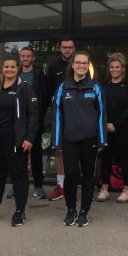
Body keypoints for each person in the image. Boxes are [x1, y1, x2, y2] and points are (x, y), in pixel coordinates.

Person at [0, 56, 38, 226]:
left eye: (12, 67)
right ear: (2, 69)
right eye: (6, 67)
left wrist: (29, 138)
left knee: (18, 176)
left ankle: (19, 212)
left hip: (15, 141)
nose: (9, 70)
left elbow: (33, 115)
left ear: (17, 69)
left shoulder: (24, 88)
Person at [52, 50, 107, 227]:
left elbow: (101, 115)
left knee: (88, 176)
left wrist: (101, 140)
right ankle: (70, 210)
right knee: (71, 175)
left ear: (88, 65)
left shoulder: (95, 87)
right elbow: (57, 116)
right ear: (73, 65)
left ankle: (84, 211)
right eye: (78, 62)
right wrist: (57, 141)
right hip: (69, 140)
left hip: (90, 139)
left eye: (85, 63)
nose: (81, 65)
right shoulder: (63, 87)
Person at [7, 46, 48, 200]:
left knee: (36, 154)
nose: (25, 58)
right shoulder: (13, 73)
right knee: (16, 154)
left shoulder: (39, 75)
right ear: (20, 57)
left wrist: (37, 117)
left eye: (28, 56)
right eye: (23, 56)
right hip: (15, 121)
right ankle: (16, 186)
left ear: (33, 58)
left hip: (33, 121)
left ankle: (38, 186)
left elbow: (44, 97)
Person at [97, 53, 128, 203]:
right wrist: (105, 125)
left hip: (123, 129)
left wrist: (116, 124)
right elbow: (99, 107)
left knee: (126, 159)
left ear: (122, 69)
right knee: (105, 159)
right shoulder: (103, 87)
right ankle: (104, 189)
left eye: (117, 67)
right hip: (105, 128)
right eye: (112, 67)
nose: (114, 70)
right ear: (109, 69)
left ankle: (126, 190)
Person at [46, 37, 76, 201]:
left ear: (74, 48)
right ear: (60, 48)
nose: (67, 50)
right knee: (59, 150)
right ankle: (61, 186)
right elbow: (48, 91)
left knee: (77, 151)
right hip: (59, 115)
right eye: (64, 47)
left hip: (78, 115)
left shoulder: (81, 64)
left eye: (70, 47)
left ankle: (76, 186)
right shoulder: (53, 67)